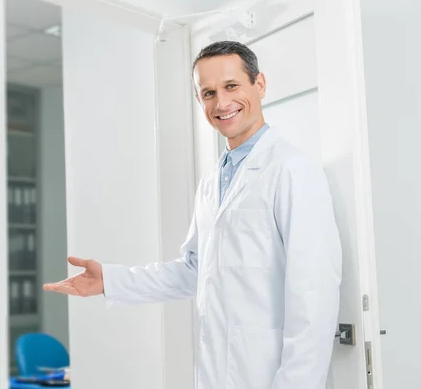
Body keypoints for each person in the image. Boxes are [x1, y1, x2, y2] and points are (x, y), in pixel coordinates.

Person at [44, 41, 342, 389]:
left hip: (270, 375)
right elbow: (194, 271)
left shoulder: (292, 170)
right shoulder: (213, 180)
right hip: (217, 372)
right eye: (208, 93)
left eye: (232, 86)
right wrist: (110, 280)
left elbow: (314, 295)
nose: (222, 103)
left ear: (259, 84)